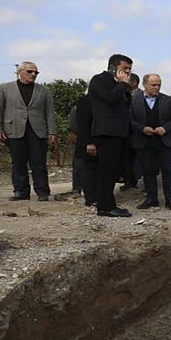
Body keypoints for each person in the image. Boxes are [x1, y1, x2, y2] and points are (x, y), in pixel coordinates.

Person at [0, 62, 57, 201]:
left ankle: (43, 192)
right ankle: (21, 191)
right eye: (30, 71)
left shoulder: (44, 90)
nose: (33, 74)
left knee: (39, 163)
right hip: (13, 130)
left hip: (38, 131)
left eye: (36, 72)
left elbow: (50, 112)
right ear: (20, 72)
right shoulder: (4, 88)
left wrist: (52, 131)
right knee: (18, 162)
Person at [88, 54, 133, 217]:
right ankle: (105, 207)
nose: (127, 72)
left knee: (113, 170)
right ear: (112, 67)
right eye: (124, 68)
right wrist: (122, 85)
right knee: (106, 170)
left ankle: (109, 204)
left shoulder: (120, 85)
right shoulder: (99, 80)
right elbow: (110, 99)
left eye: (129, 69)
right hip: (106, 132)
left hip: (118, 133)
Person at [130, 74, 171, 210]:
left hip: (165, 143)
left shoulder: (168, 100)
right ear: (144, 85)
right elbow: (128, 120)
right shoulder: (133, 100)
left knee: (168, 172)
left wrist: (165, 128)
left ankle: (170, 200)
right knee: (148, 172)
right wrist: (142, 128)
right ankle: (151, 199)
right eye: (153, 85)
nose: (157, 87)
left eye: (159, 84)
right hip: (144, 142)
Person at [74, 94, 98, 207]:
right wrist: (89, 142)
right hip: (88, 143)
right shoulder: (85, 101)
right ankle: (90, 198)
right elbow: (82, 124)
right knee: (89, 170)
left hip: (101, 143)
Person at [120, 73, 141, 191]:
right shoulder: (124, 95)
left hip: (138, 132)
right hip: (126, 133)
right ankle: (129, 180)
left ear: (134, 83)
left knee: (140, 158)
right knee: (126, 157)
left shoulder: (141, 96)